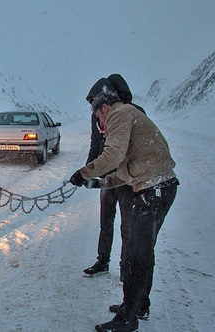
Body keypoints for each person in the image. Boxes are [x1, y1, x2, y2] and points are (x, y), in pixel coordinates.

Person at [70, 76, 179, 332]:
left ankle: (128, 319)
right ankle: (138, 305)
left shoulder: (119, 114)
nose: (98, 123)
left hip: (154, 190)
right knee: (139, 250)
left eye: (97, 116)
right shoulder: (127, 113)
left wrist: (85, 171)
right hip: (156, 188)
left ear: (103, 107)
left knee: (136, 254)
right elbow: (122, 170)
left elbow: (112, 155)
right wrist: (97, 183)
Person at [83, 74, 143, 278]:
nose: (96, 111)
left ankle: (126, 269)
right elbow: (96, 145)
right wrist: (88, 171)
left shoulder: (132, 113)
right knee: (105, 222)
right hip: (108, 178)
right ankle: (102, 261)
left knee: (128, 227)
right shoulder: (96, 117)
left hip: (128, 179)